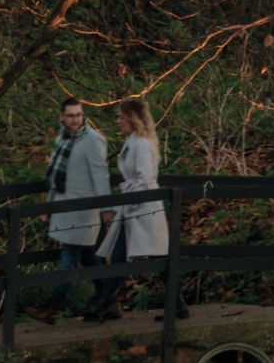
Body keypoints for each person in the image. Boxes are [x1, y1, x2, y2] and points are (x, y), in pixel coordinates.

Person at [87, 97, 178, 321]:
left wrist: (129, 204)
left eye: (121, 117)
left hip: (143, 208)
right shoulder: (134, 141)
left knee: (157, 257)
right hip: (134, 207)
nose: (118, 121)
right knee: (121, 256)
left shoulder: (142, 144)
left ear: (132, 118)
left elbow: (145, 179)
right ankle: (101, 305)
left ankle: (176, 304)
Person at [26, 96, 111, 323]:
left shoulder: (93, 140)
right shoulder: (63, 139)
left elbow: (101, 176)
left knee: (69, 258)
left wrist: (107, 208)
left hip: (83, 210)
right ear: (62, 117)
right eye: (71, 115)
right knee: (88, 257)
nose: (75, 120)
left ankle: (52, 307)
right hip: (65, 208)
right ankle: (109, 299)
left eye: (79, 115)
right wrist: (49, 206)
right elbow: (55, 178)